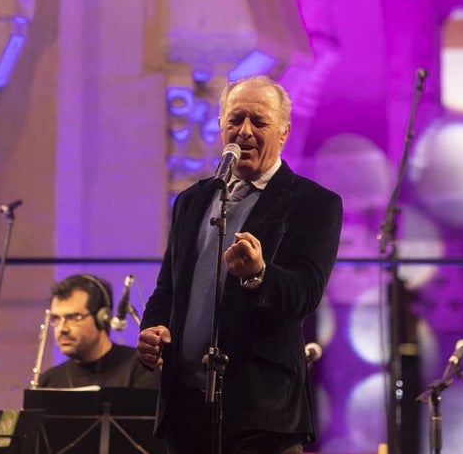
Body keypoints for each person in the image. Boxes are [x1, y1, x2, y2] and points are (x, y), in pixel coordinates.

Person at [137, 75, 343, 454]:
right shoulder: (192, 201)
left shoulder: (313, 203)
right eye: (235, 119)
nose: (244, 131)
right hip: (186, 411)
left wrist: (258, 274)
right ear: (221, 126)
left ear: (283, 133)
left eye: (259, 121)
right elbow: (168, 288)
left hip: (261, 415)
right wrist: (154, 329)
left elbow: (305, 294)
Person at [38, 274, 159, 389]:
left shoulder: (142, 369)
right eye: (56, 318)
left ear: (102, 318)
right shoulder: (47, 383)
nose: (62, 328)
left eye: (74, 317)